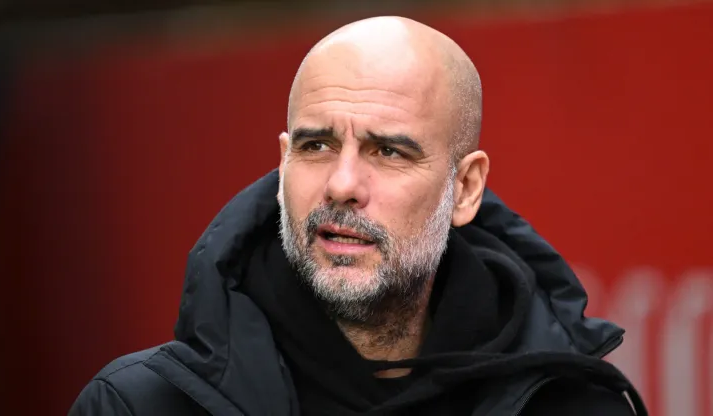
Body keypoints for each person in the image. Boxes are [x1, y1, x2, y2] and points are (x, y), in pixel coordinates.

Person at [69, 16, 646, 416]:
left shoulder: (571, 408)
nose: (342, 185)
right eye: (315, 146)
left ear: (465, 188)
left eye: (388, 151)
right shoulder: (141, 406)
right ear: (282, 162)